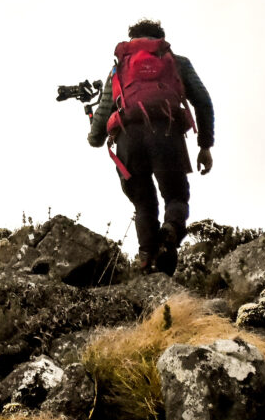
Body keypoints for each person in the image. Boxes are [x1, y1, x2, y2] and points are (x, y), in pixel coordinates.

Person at [87, 19, 214, 275]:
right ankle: (170, 232)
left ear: (131, 40)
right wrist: (205, 145)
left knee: (144, 203)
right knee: (175, 196)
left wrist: (94, 138)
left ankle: (147, 262)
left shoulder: (119, 68)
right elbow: (203, 101)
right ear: (161, 40)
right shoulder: (177, 62)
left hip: (128, 140)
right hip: (166, 132)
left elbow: (102, 116)